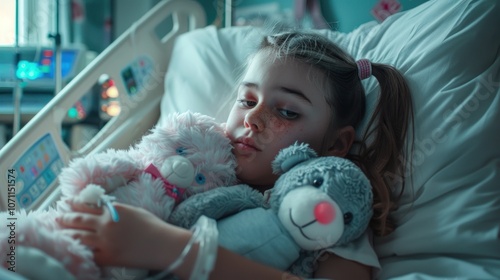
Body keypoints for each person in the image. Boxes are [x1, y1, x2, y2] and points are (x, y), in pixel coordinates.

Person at [58, 30, 413, 280]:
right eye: (246, 100)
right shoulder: (197, 163)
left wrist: (171, 249)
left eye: (286, 112)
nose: (253, 119)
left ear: (336, 144)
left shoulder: (329, 213)